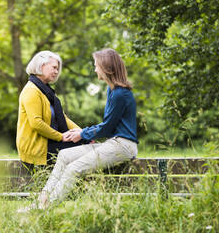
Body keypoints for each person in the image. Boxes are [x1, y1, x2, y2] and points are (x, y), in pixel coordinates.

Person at [18, 48, 138, 212]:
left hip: (123, 146)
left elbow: (108, 127)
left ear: (106, 68)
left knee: (74, 168)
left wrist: (83, 133)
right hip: (114, 143)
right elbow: (107, 127)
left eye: (96, 66)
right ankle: (41, 200)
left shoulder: (120, 94)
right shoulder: (113, 91)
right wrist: (83, 134)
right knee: (64, 155)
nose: (95, 69)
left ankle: (44, 208)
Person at [16, 50, 87, 170]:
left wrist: (83, 134)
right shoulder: (32, 90)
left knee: (85, 143)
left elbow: (64, 119)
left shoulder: (46, 91)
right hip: (37, 147)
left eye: (57, 69)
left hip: (49, 142)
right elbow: (36, 123)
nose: (56, 72)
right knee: (83, 148)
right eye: (54, 67)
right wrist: (61, 137)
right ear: (41, 65)